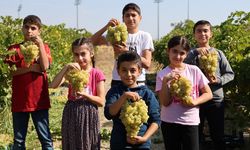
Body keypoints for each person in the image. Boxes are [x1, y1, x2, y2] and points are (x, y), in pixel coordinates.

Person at [4, 15, 53, 149]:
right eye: (26, 27)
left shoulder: (44, 48)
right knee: (19, 141)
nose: (29, 31)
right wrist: (31, 68)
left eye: (33, 28)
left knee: (46, 139)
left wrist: (41, 44)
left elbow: (44, 67)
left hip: (39, 101)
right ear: (22, 28)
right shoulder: (14, 49)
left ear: (39, 31)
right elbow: (11, 72)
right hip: (20, 101)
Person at [155, 36, 213, 150]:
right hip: (169, 122)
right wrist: (166, 80)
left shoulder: (194, 70)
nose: (177, 56)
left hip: (190, 121)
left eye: (182, 53)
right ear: (168, 51)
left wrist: (194, 102)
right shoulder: (162, 74)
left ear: (186, 54)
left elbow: (208, 94)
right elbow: (165, 103)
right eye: (174, 51)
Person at [184, 20, 234, 150]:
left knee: (218, 135)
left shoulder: (218, 53)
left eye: (205, 31)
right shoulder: (190, 54)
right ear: (194, 34)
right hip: (196, 99)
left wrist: (218, 80)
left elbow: (230, 74)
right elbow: (182, 68)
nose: (202, 34)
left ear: (211, 34)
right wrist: (195, 53)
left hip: (215, 99)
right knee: (195, 135)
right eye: (199, 31)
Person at [49, 38, 105, 150]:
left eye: (83, 54)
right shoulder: (71, 72)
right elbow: (53, 85)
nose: (80, 58)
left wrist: (86, 95)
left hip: (89, 113)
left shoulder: (97, 74)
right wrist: (65, 68)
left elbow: (101, 101)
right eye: (76, 54)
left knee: (88, 142)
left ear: (92, 54)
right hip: (71, 112)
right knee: (71, 143)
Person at [104, 51, 161, 150]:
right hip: (119, 144)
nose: (128, 74)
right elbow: (109, 113)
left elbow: (156, 120)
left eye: (132, 70)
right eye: (124, 70)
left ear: (139, 71)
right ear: (118, 71)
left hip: (142, 145)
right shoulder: (115, 92)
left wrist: (145, 138)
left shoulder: (147, 94)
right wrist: (124, 97)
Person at [91, 3, 154, 87]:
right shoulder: (115, 35)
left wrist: (127, 51)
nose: (130, 18)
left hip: (138, 82)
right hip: (118, 82)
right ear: (123, 18)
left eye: (133, 15)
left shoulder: (145, 36)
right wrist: (106, 27)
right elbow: (89, 43)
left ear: (140, 18)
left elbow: (147, 64)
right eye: (127, 15)